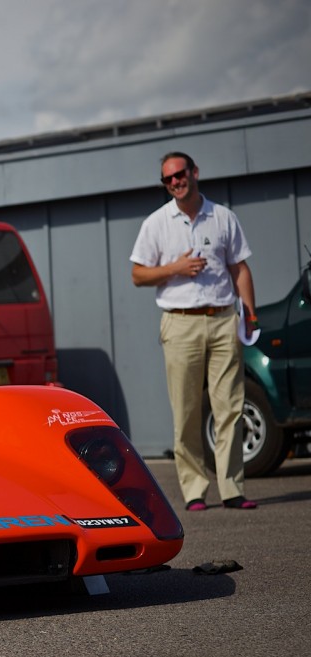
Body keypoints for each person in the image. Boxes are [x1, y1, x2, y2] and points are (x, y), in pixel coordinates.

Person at [130, 151, 259, 512]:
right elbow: (138, 275)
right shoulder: (156, 224)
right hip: (180, 322)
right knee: (185, 410)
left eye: (179, 174)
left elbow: (240, 269)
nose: (175, 182)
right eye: (167, 179)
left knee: (230, 407)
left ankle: (232, 489)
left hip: (222, 319)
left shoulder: (223, 217)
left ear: (194, 172)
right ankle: (194, 491)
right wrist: (176, 267)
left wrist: (250, 311)